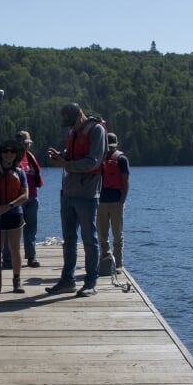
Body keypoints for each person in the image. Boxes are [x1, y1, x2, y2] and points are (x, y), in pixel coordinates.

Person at [44, 102, 106, 297]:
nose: (71, 127)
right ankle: (67, 280)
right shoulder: (73, 133)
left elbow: (92, 161)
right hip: (68, 193)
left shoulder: (96, 131)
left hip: (87, 194)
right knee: (69, 239)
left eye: (72, 122)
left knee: (89, 239)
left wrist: (66, 163)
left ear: (80, 115)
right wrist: (59, 156)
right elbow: (71, 157)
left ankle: (90, 282)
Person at [0, 139, 29, 294]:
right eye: (5, 151)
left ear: (16, 155)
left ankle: (17, 281)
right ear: (0, 154)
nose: (9, 154)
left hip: (14, 214)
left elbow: (25, 196)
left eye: (12, 151)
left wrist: (9, 206)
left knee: (15, 248)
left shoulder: (20, 172)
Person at [3, 130, 44, 268]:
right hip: (16, 200)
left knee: (31, 229)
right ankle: (8, 259)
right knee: (11, 229)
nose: (27, 146)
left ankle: (31, 257)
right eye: (25, 143)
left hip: (32, 197)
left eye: (28, 143)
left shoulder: (30, 157)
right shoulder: (10, 159)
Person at [98, 132, 130, 270]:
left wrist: (121, 201)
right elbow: (126, 181)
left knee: (103, 236)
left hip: (103, 202)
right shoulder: (122, 158)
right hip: (115, 201)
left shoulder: (101, 158)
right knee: (117, 235)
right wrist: (122, 201)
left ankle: (106, 262)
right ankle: (118, 264)